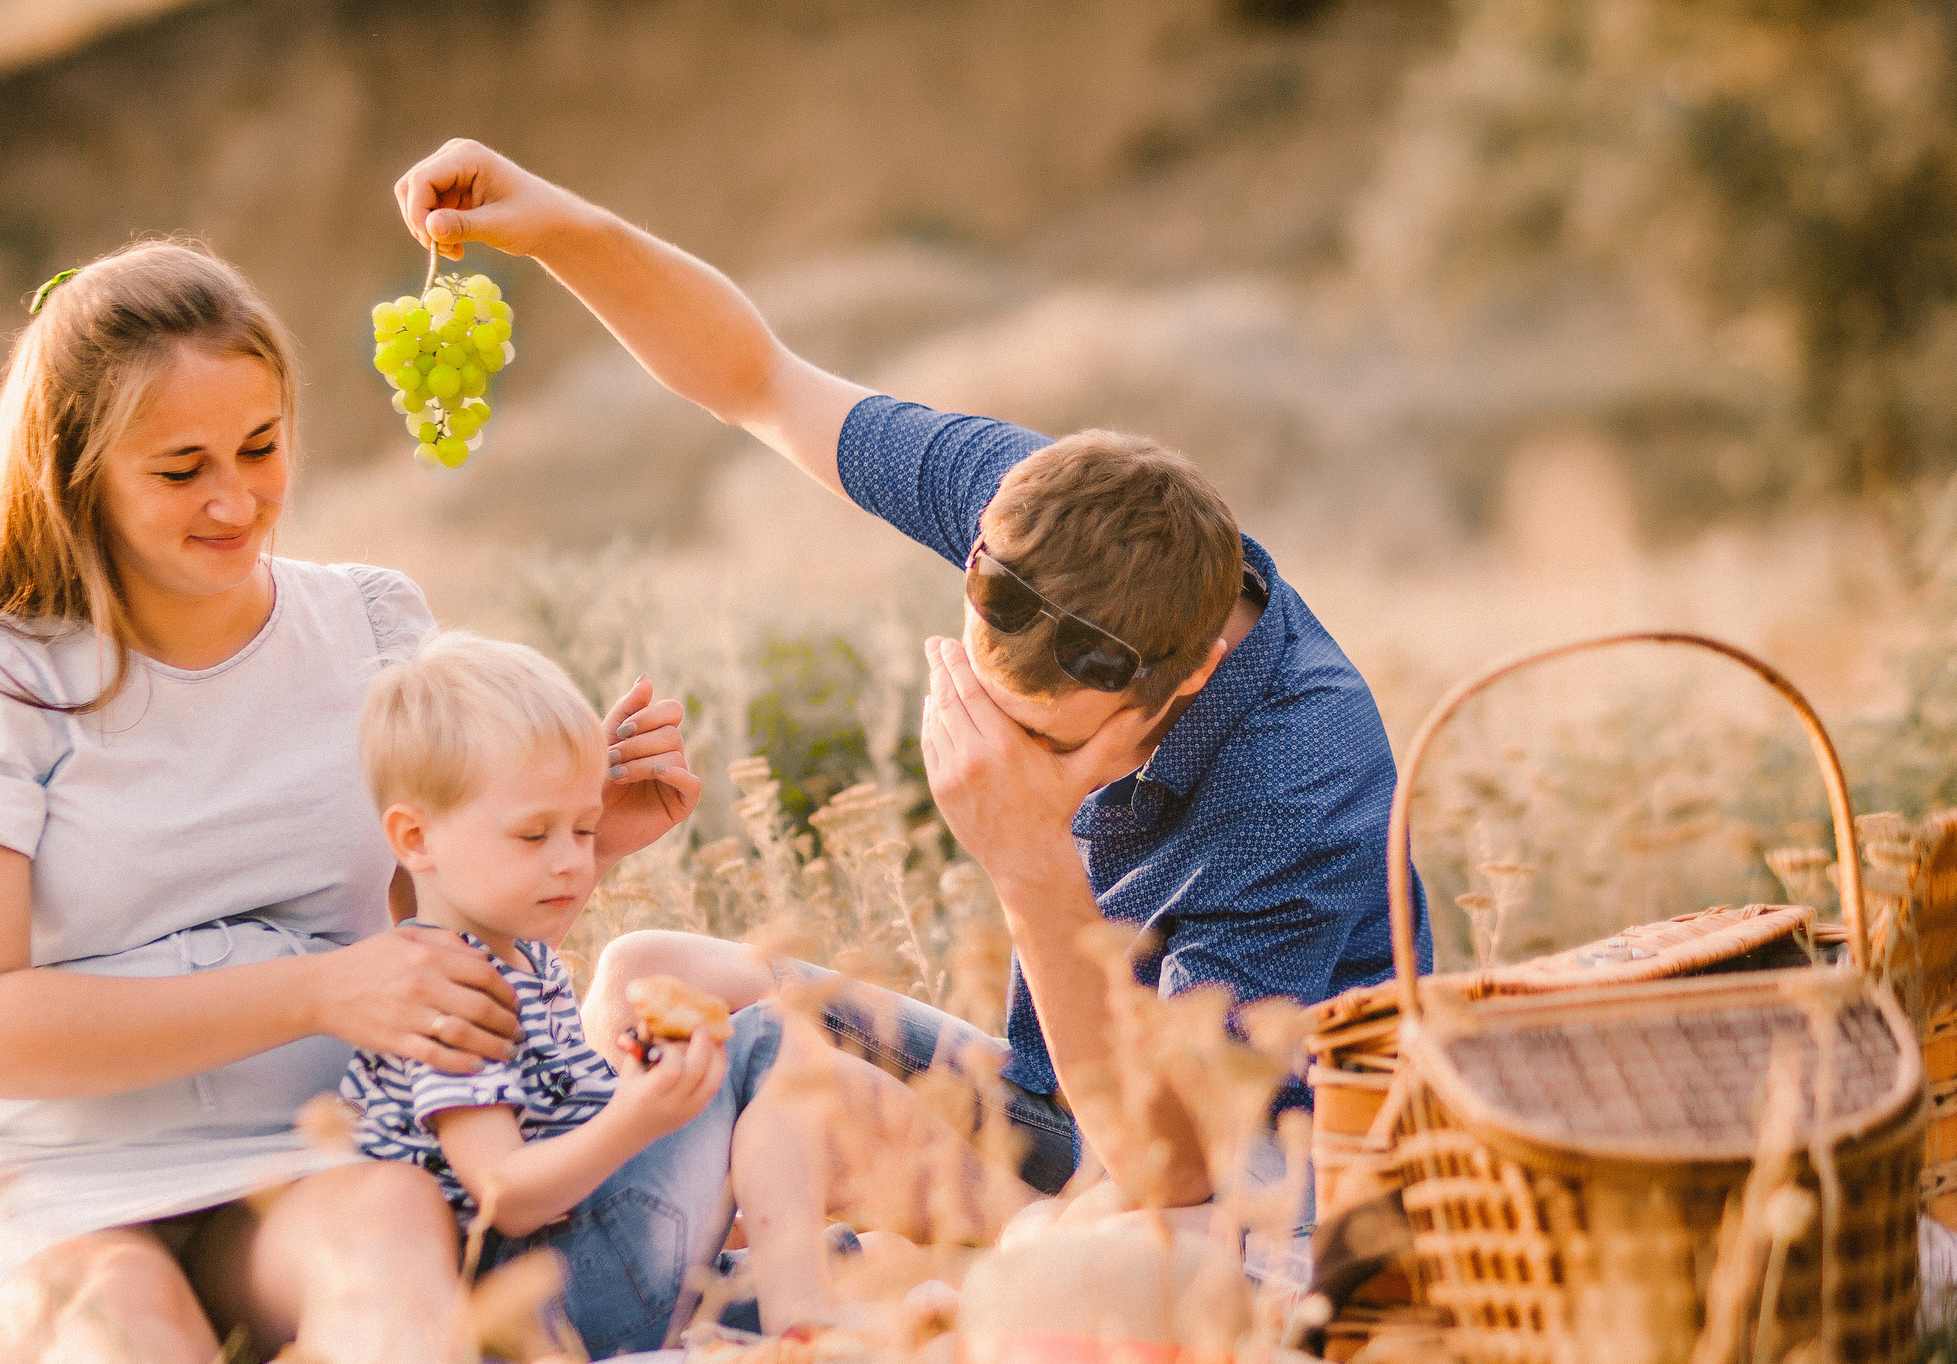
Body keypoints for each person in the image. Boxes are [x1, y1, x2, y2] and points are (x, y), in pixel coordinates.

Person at [389, 140, 1431, 1214]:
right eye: (989, 707)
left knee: (852, 1124)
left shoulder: (1299, 778)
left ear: (1190, 676)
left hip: (1254, 1180)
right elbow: (754, 378)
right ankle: (680, 1232)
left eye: (1051, 741)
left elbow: (1175, 1166)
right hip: (1054, 1102)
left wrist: (1031, 867)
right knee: (653, 978)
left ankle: (995, 1244)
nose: (1003, 751)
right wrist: (561, 224)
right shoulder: (1045, 515)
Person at [0, 239, 701, 1364]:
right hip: (38, 1177)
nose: (235, 501)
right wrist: (321, 989)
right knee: (122, 1331)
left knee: (387, 1240)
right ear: (76, 472)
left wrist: (586, 845)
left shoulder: (369, 629)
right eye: (181, 470)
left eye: (261, 449)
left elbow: (424, 936)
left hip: (310, 1146)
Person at [337, 631, 864, 1350]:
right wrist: (634, 1119)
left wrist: (632, 1084)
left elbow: (559, 1122)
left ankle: (789, 1295)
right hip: (552, 1294)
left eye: (585, 828)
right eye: (533, 836)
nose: (571, 863)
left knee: (843, 1251)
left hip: (587, 1276)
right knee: (768, 1035)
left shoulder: (523, 961)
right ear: (416, 839)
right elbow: (505, 1193)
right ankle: (801, 1313)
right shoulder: (445, 991)